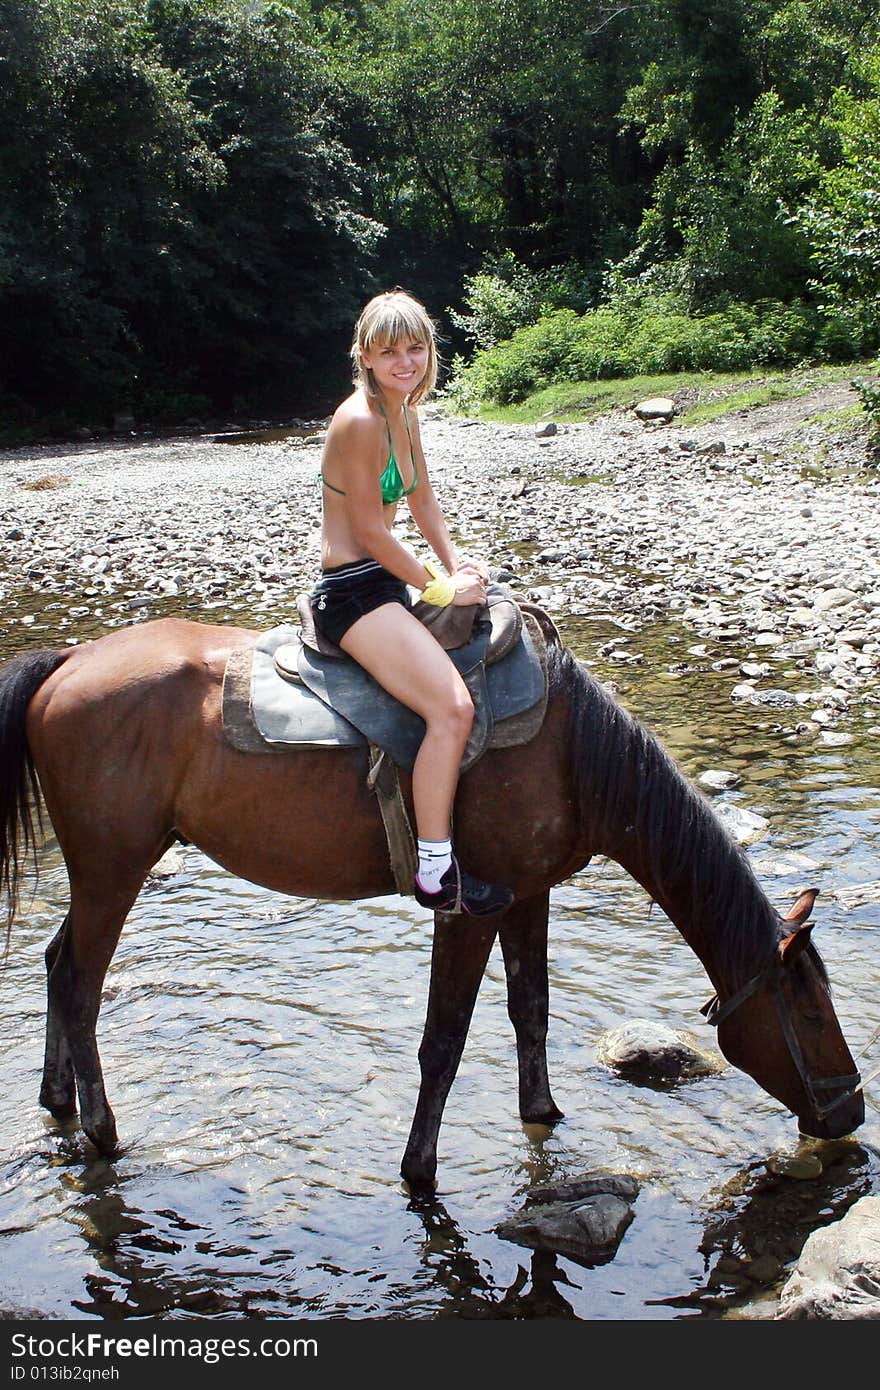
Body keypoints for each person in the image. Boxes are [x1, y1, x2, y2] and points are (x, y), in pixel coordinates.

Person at [310, 289, 514, 917]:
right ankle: (434, 871)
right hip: (352, 592)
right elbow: (370, 530)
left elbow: (422, 502)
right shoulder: (362, 419)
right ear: (365, 356)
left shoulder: (404, 410)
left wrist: (458, 563)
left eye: (416, 348)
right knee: (452, 711)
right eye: (390, 351)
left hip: (386, 579)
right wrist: (437, 587)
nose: (406, 361)